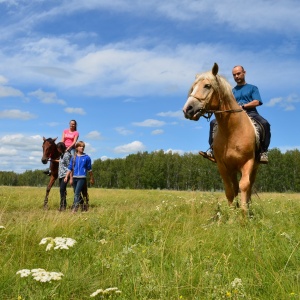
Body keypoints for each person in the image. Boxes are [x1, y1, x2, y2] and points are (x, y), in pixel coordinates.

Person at [199, 65, 271, 164]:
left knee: (265, 123)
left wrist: (244, 106)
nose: (236, 76)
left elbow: (257, 102)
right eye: (234, 75)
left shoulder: (252, 88)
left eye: (238, 74)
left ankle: (263, 152)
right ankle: (212, 151)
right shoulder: (231, 91)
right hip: (234, 115)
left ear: (244, 73)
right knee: (213, 123)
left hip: (251, 113)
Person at [64, 141, 94, 212]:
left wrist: (92, 178)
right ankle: (83, 206)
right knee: (76, 193)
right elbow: (70, 167)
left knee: (77, 193)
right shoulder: (74, 157)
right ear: (77, 148)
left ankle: (74, 209)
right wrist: (66, 177)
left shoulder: (87, 157)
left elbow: (89, 169)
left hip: (82, 178)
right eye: (80, 146)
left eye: (83, 146)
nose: (82, 148)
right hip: (74, 178)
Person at [53, 142, 72, 211]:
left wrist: (70, 177)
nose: (58, 150)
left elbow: (69, 166)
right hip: (61, 175)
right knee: (62, 190)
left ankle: (63, 206)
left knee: (62, 190)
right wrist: (54, 160)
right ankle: (63, 205)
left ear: (62, 148)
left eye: (59, 148)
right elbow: (62, 162)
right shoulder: (62, 155)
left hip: (65, 175)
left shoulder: (67, 155)